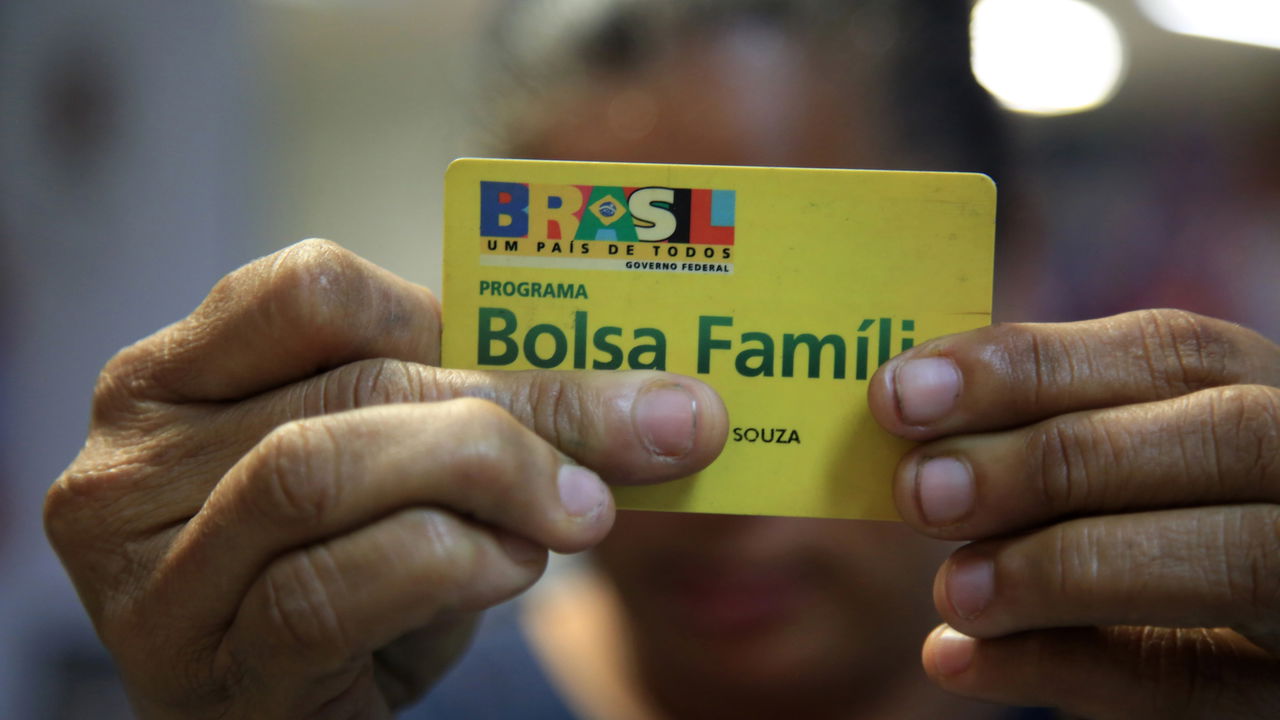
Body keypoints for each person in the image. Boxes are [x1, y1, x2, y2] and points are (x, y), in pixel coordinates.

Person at [44, 1, 1280, 718]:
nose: (707, 474)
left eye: (799, 337)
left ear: (1020, 273)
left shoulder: (1193, 680)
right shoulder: (356, 699)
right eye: (617, 347)